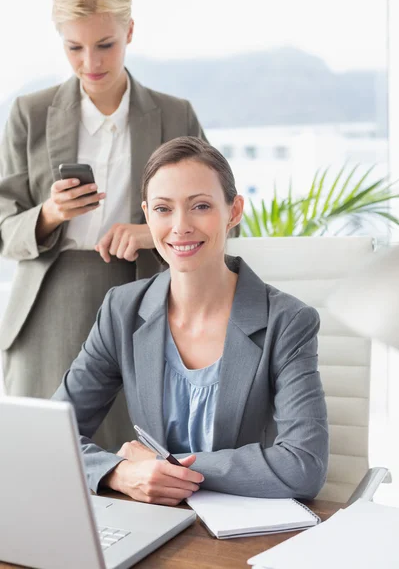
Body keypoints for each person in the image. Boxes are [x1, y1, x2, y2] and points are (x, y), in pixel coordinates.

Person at [53, 136, 329, 504]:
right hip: (150, 518)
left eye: (200, 206)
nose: (180, 226)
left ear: (233, 212)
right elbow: (54, 434)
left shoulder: (288, 321)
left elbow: (303, 467)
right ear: (147, 215)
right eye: (164, 209)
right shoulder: (122, 309)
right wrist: (119, 472)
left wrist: (162, 465)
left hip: (242, 527)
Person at [0, 0, 206, 449]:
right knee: (43, 456)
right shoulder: (29, 115)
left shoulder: (176, 116)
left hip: (145, 299)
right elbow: (4, 230)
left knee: (141, 457)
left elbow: (214, 219)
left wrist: (149, 232)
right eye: (74, 47)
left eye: (106, 45)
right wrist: (49, 213)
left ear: (130, 32)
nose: (89, 62)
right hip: (49, 306)